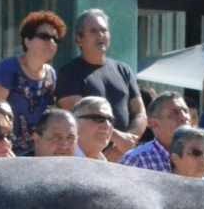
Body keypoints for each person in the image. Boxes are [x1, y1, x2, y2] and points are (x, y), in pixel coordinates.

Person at [55, 9, 145, 161]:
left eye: (104, 30)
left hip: (126, 155)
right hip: (87, 158)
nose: (100, 35)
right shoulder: (69, 72)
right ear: (79, 39)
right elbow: (77, 115)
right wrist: (116, 140)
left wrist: (127, 143)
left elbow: (140, 112)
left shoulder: (123, 70)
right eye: (93, 31)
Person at [0, 11, 62, 156]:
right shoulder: (8, 69)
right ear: (27, 41)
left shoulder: (52, 75)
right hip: (8, 154)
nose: (51, 42)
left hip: (41, 156)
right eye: (44, 36)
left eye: (55, 39)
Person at [122, 92, 191, 172]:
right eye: (175, 112)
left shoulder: (198, 155)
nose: (184, 117)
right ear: (153, 123)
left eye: (186, 111)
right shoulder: (137, 159)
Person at [74, 95, 115, 161]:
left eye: (110, 120)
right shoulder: (60, 158)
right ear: (75, 123)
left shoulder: (106, 164)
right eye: (98, 118)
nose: (107, 125)